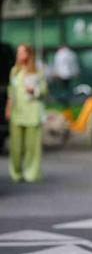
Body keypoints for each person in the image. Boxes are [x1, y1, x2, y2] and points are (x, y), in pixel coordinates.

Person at [5, 44, 47, 182]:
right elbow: (11, 90)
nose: (19, 55)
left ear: (29, 54)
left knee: (32, 147)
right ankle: (15, 172)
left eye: (22, 53)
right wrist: (8, 107)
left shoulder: (37, 71)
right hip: (17, 112)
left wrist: (34, 91)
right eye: (18, 53)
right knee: (16, 147)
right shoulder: (14, 71)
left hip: (33, 112)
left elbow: (44, 90)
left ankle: (31, 173)